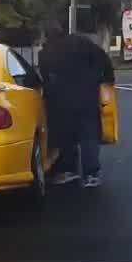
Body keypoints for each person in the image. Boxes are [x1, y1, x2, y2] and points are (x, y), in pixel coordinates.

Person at [38, 27, 115, 188]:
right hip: (87, 96)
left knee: (66, 136)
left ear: (47, 37)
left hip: (61, 101)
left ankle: (68, 170)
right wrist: (107, 79)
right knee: (89, 136)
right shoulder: (82, 42)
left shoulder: (46, 53)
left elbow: (45, 77)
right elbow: (103, 59)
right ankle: (91, 174)